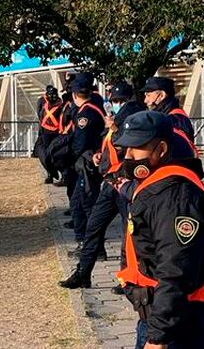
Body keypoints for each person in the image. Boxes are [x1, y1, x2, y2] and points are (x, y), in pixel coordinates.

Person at [114, 111, 204, 349]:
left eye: (137, 148)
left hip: (178, 320)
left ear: (161, 149)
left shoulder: (175, 198)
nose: (129, 156)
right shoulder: (156, 185)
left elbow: (176, 269)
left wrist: (158, 337)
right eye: (125, 149)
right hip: (161, 313)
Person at [59, 80, 146, 290]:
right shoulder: (117, 117)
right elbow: (109, 144)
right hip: (110, 181)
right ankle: (83, 272)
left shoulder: (134, 117)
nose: (116, 104)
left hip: (125, 182)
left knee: (129, 232)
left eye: (119, 100)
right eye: (114, 100)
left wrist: (115, 130)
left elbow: (129, 145)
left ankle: (128, 278)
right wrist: (100, 154)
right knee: (94, 226)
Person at [67, 72, 106, 250]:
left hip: (88, 163)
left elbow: (80, 143)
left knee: (85, 205)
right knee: (80, 204)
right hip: (90, 162)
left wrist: (68, 156)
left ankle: (91, 247)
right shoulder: (93, 107)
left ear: (75, 95)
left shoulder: (86, 113)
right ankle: (89, 245)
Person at [141, 77, 199, 159]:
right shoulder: (167, 116)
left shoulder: (175, 118)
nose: (145, 101)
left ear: (161, 95)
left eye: (148, 95)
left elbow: (179, 149)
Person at [36, 85, 63, 183]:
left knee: (56, 154)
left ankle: (63, 174)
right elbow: (40, 115)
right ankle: (50, 174)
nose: (52, 96)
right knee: (45, 154)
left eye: (53, 94)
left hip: (56, 132)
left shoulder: (60, 105)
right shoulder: (44, 104)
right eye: (50, 94)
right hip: (45, 132)